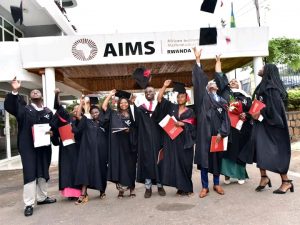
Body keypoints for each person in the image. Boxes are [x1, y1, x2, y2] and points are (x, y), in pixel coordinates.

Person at [4, 77, 56, 217]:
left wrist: (52, 132)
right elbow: (12, 107)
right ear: (31, 98)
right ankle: (29, 203)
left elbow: (54, 128)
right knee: (30, 173)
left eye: (37, 91)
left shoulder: (48, 112)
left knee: (43, 171)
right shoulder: (24, 110)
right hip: (28, 147)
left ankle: (42, 197)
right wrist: (15, 90)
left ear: (41, 96)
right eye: (32, 91)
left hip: (43, 147)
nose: (34, 91)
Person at [192, 48, 230, 198]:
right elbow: (199, 81)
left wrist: (222, 132)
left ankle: (216, 184)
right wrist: (198, 61)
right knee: (204, 160)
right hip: (204, 136)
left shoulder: (222, 101)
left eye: (215, 83)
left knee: (216, 160)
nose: (212, 84)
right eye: (210, 83)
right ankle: (204, 187)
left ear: (218, 88)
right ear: (207, 88)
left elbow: (225, 119)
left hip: (217, 136)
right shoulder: (203, 98)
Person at [249, 64, 293, 194]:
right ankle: (264, 178)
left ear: (268, 71)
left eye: (263, 68)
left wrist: (260, 113)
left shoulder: (272, 89)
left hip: (274, 127)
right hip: (263, 125)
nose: (260, 69)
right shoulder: (263, 86)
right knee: (260, 150)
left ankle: (286, 182)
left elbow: (275, 109)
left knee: (277, 152)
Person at [213, 57, 252, 185]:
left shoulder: (246, 96)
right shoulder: (225, 91)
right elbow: (220, 77)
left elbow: (252, 111)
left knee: (240, 150)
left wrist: (245, 115)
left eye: (236, 80)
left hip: (241, 128)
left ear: (240, 84)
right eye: (232, 81)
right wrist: (218, 62)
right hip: (227, 126)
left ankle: (240, 175)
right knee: (227, 150)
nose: (234, 81)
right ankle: (227, 175)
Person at [156, 80, 196, 196]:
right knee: (176, 164)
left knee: (186, 164)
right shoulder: (171, 107)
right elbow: (159, 99)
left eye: (182, 96)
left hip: (185, 142)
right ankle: (180, 187)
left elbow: (193, 125)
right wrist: (164, 86)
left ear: (186, 98)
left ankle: (188, 188)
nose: (179, 99)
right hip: (172, 141)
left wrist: (183, 124)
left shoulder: (190, 111)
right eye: (178, 97)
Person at [102, 90, 138, 198]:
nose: (123, 104)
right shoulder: (114, 113)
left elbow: (137, 127)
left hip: (130, 143)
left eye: (125, 102)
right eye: (121, 103)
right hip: (118, 144)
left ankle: (131, 189)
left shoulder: (132, 113)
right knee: (120, 167)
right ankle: (121, 190)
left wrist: (130, 130)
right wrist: (109, 95)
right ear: (119, 104)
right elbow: (104, 107)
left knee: (130, 167)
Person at [73, 96, 108, 204]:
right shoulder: (86, 122)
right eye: (93, 113)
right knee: (85, 172)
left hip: (101, 153)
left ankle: (102, 191)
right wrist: (81, 103)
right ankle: (83, 194)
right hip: (87, 152)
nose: (95, 114)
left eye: (97, 112)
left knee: (101, 171)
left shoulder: (104, 123)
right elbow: (78, 115)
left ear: (99, 113)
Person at [133, 86, 166, 198]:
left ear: (154, 93)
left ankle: (160, 186)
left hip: (158, 140)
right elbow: (136, 124)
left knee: (159, 162)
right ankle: (148, 188)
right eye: (146, 92)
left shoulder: (159, 107)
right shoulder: (141, 109)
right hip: (146, 141)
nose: (148, 93)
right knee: (147, 163)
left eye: (150, 91)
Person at [50, 89, 81, 200]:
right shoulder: (66, 118)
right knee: (67, 169)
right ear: (72, 110)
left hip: (78, 149)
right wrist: (57, 94)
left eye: (79, 109)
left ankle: (79, 192)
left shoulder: (83, 120)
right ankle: (69, 193)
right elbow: (58, 107)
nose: (77, 110)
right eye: (75, 109)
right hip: (67, 149)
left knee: (77, 169)